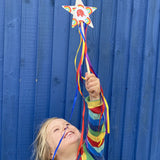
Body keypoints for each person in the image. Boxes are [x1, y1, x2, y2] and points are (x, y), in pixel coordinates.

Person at [33, 73, 106, 160]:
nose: (65, 127)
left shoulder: (91, 154)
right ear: (50, 153)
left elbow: (96, 130)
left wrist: (95, 97)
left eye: (67, 124)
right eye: (56, 130)